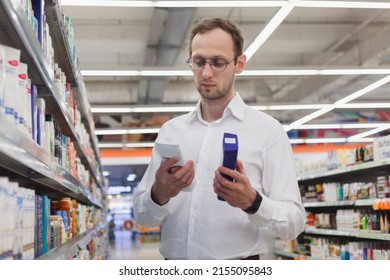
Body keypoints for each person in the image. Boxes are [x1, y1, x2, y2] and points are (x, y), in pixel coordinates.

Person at [133, 17, 306, 260]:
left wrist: (253, 202)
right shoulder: (171, 131)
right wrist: (158, 194)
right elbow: (142, 216)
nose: (206, 72)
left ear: (240, 64)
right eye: (199, 61)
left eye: (218, 62)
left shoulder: (268, 131)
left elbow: (294, 223)